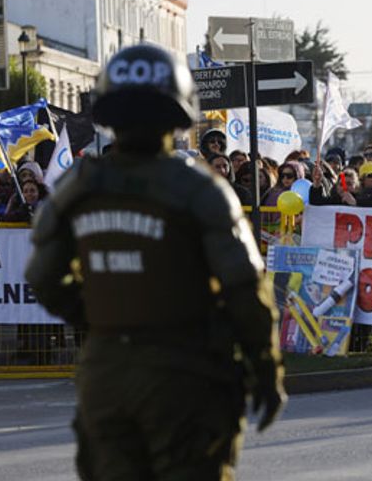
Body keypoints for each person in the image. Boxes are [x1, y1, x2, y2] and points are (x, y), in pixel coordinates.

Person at [24, 44, 285, 480]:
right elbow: (245, 285)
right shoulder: (200, 189)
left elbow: (42, 276)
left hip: (106, 373)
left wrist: (104, 313)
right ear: (177, 113)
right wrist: (266, 368)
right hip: (185, 371)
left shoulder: (79, 186)